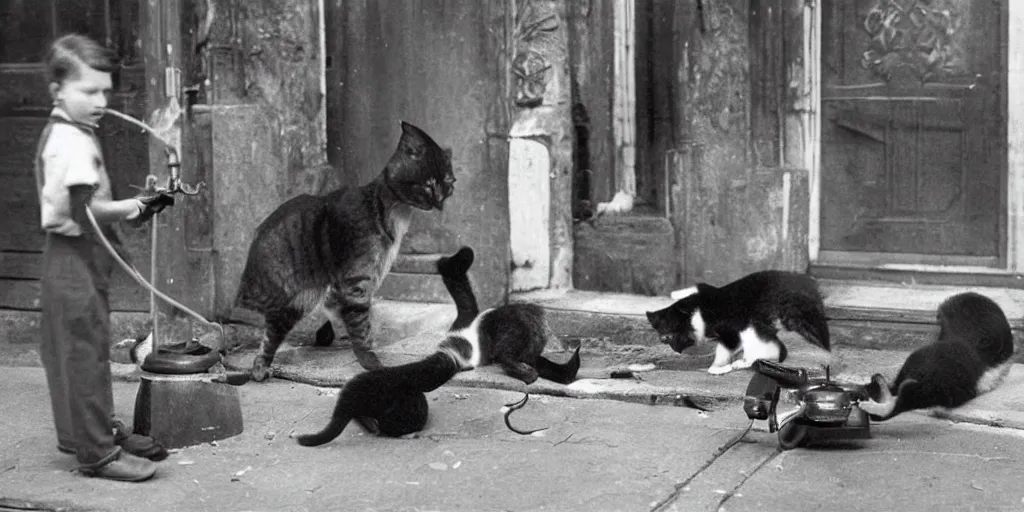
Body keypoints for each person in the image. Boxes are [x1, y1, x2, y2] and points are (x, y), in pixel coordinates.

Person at [35, 33, 175, 482]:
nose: (101, 100)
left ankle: (84, 433)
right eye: (88, 91)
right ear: (58, 90)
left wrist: (132, 208)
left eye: (105, 91)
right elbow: (86, 211)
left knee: (73, 350)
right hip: (73, 255)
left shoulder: (74, 130)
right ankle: (96, 453)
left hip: (76, 254)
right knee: (84, 353)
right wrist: (136, 206)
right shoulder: (71, 142)